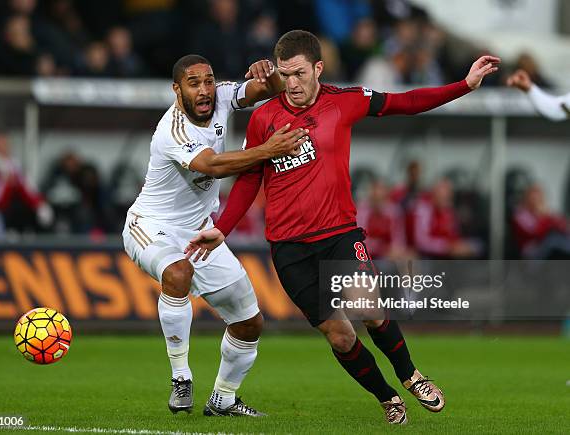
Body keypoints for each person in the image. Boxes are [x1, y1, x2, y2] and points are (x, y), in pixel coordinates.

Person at [186, 30, 500, 425]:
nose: (292, 83)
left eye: (299, 73)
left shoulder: (345, 102)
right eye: (285, 75)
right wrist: (224, 228)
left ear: (318, 68)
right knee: (340, 336)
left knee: (369, 307)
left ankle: (410, 375)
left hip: (339, 234)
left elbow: (407, 102)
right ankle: (386, 397)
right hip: (289, 247)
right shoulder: (265, 117)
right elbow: (250, 177)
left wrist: (464, 86)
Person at [122, 54, 307, 417]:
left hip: (199, 232)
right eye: (194, 83)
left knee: (249, 322)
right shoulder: (172, 130)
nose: (205, 90)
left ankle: (223, 398)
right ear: (177, 90)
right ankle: (181, 379)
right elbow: (213, 166)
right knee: (177, 273)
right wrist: (268, 151)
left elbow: (267, 90)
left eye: (208, 80)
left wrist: (267, 73)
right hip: (150, 226)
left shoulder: (221, 95)